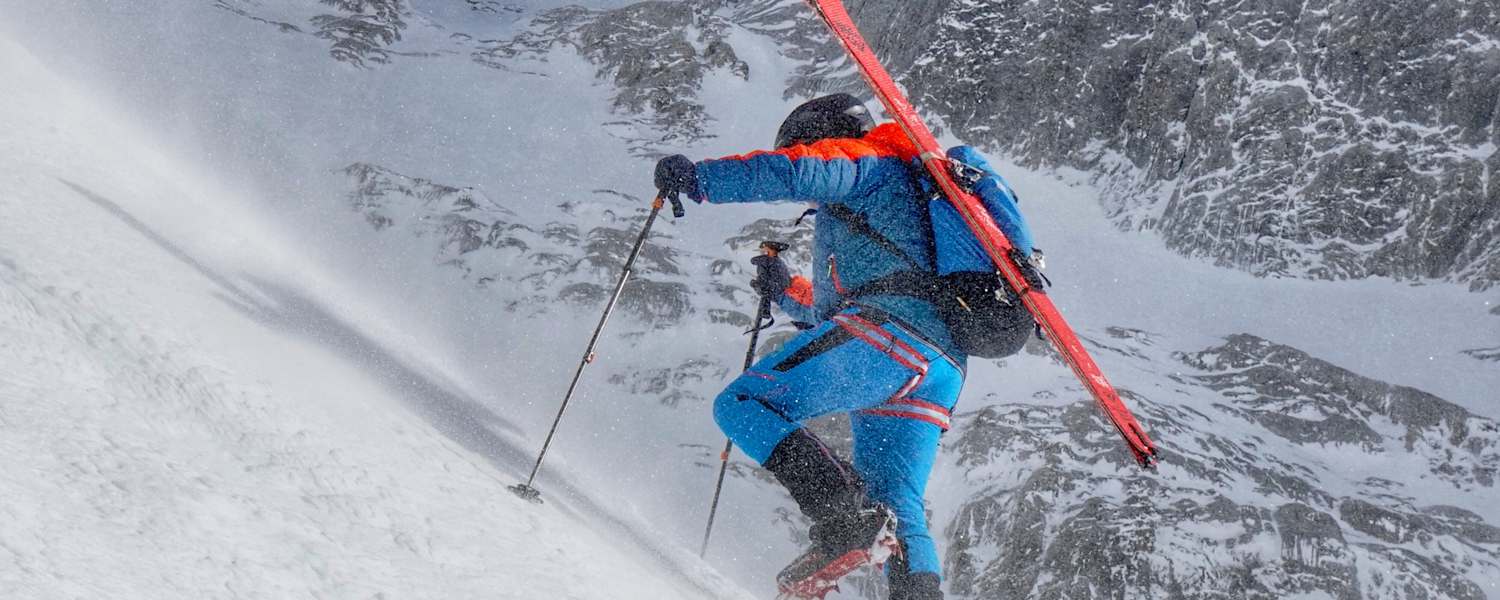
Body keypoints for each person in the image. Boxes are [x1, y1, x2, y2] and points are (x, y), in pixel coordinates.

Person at [654, 94, 1037, 600]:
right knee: (896, 501)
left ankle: (842, 521)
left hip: (890, 339)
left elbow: (795, 172)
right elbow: (844, 310)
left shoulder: (868, 162)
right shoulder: (905, 195)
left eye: (802, 145)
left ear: (822, 136)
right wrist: (786, 290)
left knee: (743, 403)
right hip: (938, 365)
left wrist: (701, 179)